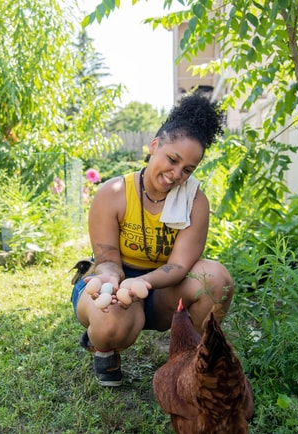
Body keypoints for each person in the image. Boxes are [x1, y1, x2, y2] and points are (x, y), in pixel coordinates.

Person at [71, 93, 234, 387]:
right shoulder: (114, 192)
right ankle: (104, 347)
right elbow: (107, 260)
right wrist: (111, 283)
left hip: (162, 290)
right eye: (172, 160)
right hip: (116, 280)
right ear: (155, 146)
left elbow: (180, 266)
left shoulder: (194, 202)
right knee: (110, 323)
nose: (176, 175)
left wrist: (143, 284)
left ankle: (188, 361)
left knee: (216, 280)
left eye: (188, 169)